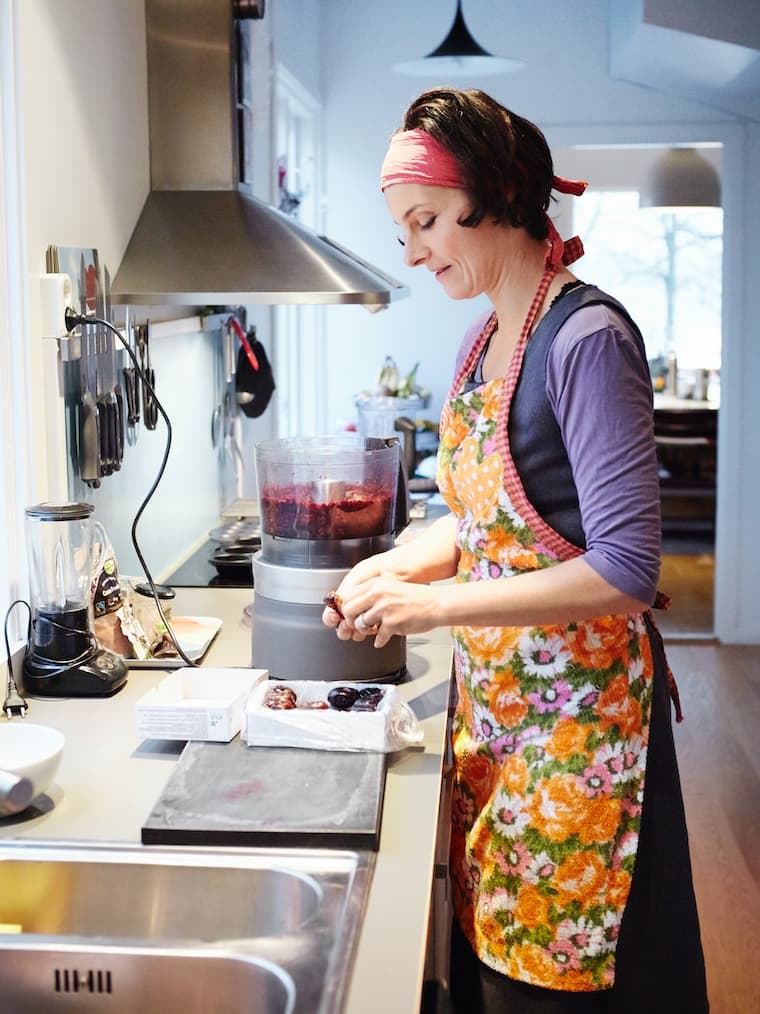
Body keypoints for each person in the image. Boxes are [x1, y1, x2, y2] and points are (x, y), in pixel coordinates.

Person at [322, 88, 708, 1013]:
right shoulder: (486, 338)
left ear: (492, 195)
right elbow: (499, 513)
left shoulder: (587, 338)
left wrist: (435, 606)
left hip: (579, 738)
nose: (412, 251)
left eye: (423, 222)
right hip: (501, 720)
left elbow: (623, 569)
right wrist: (408, 561)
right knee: (495, 970)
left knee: (555, 988)